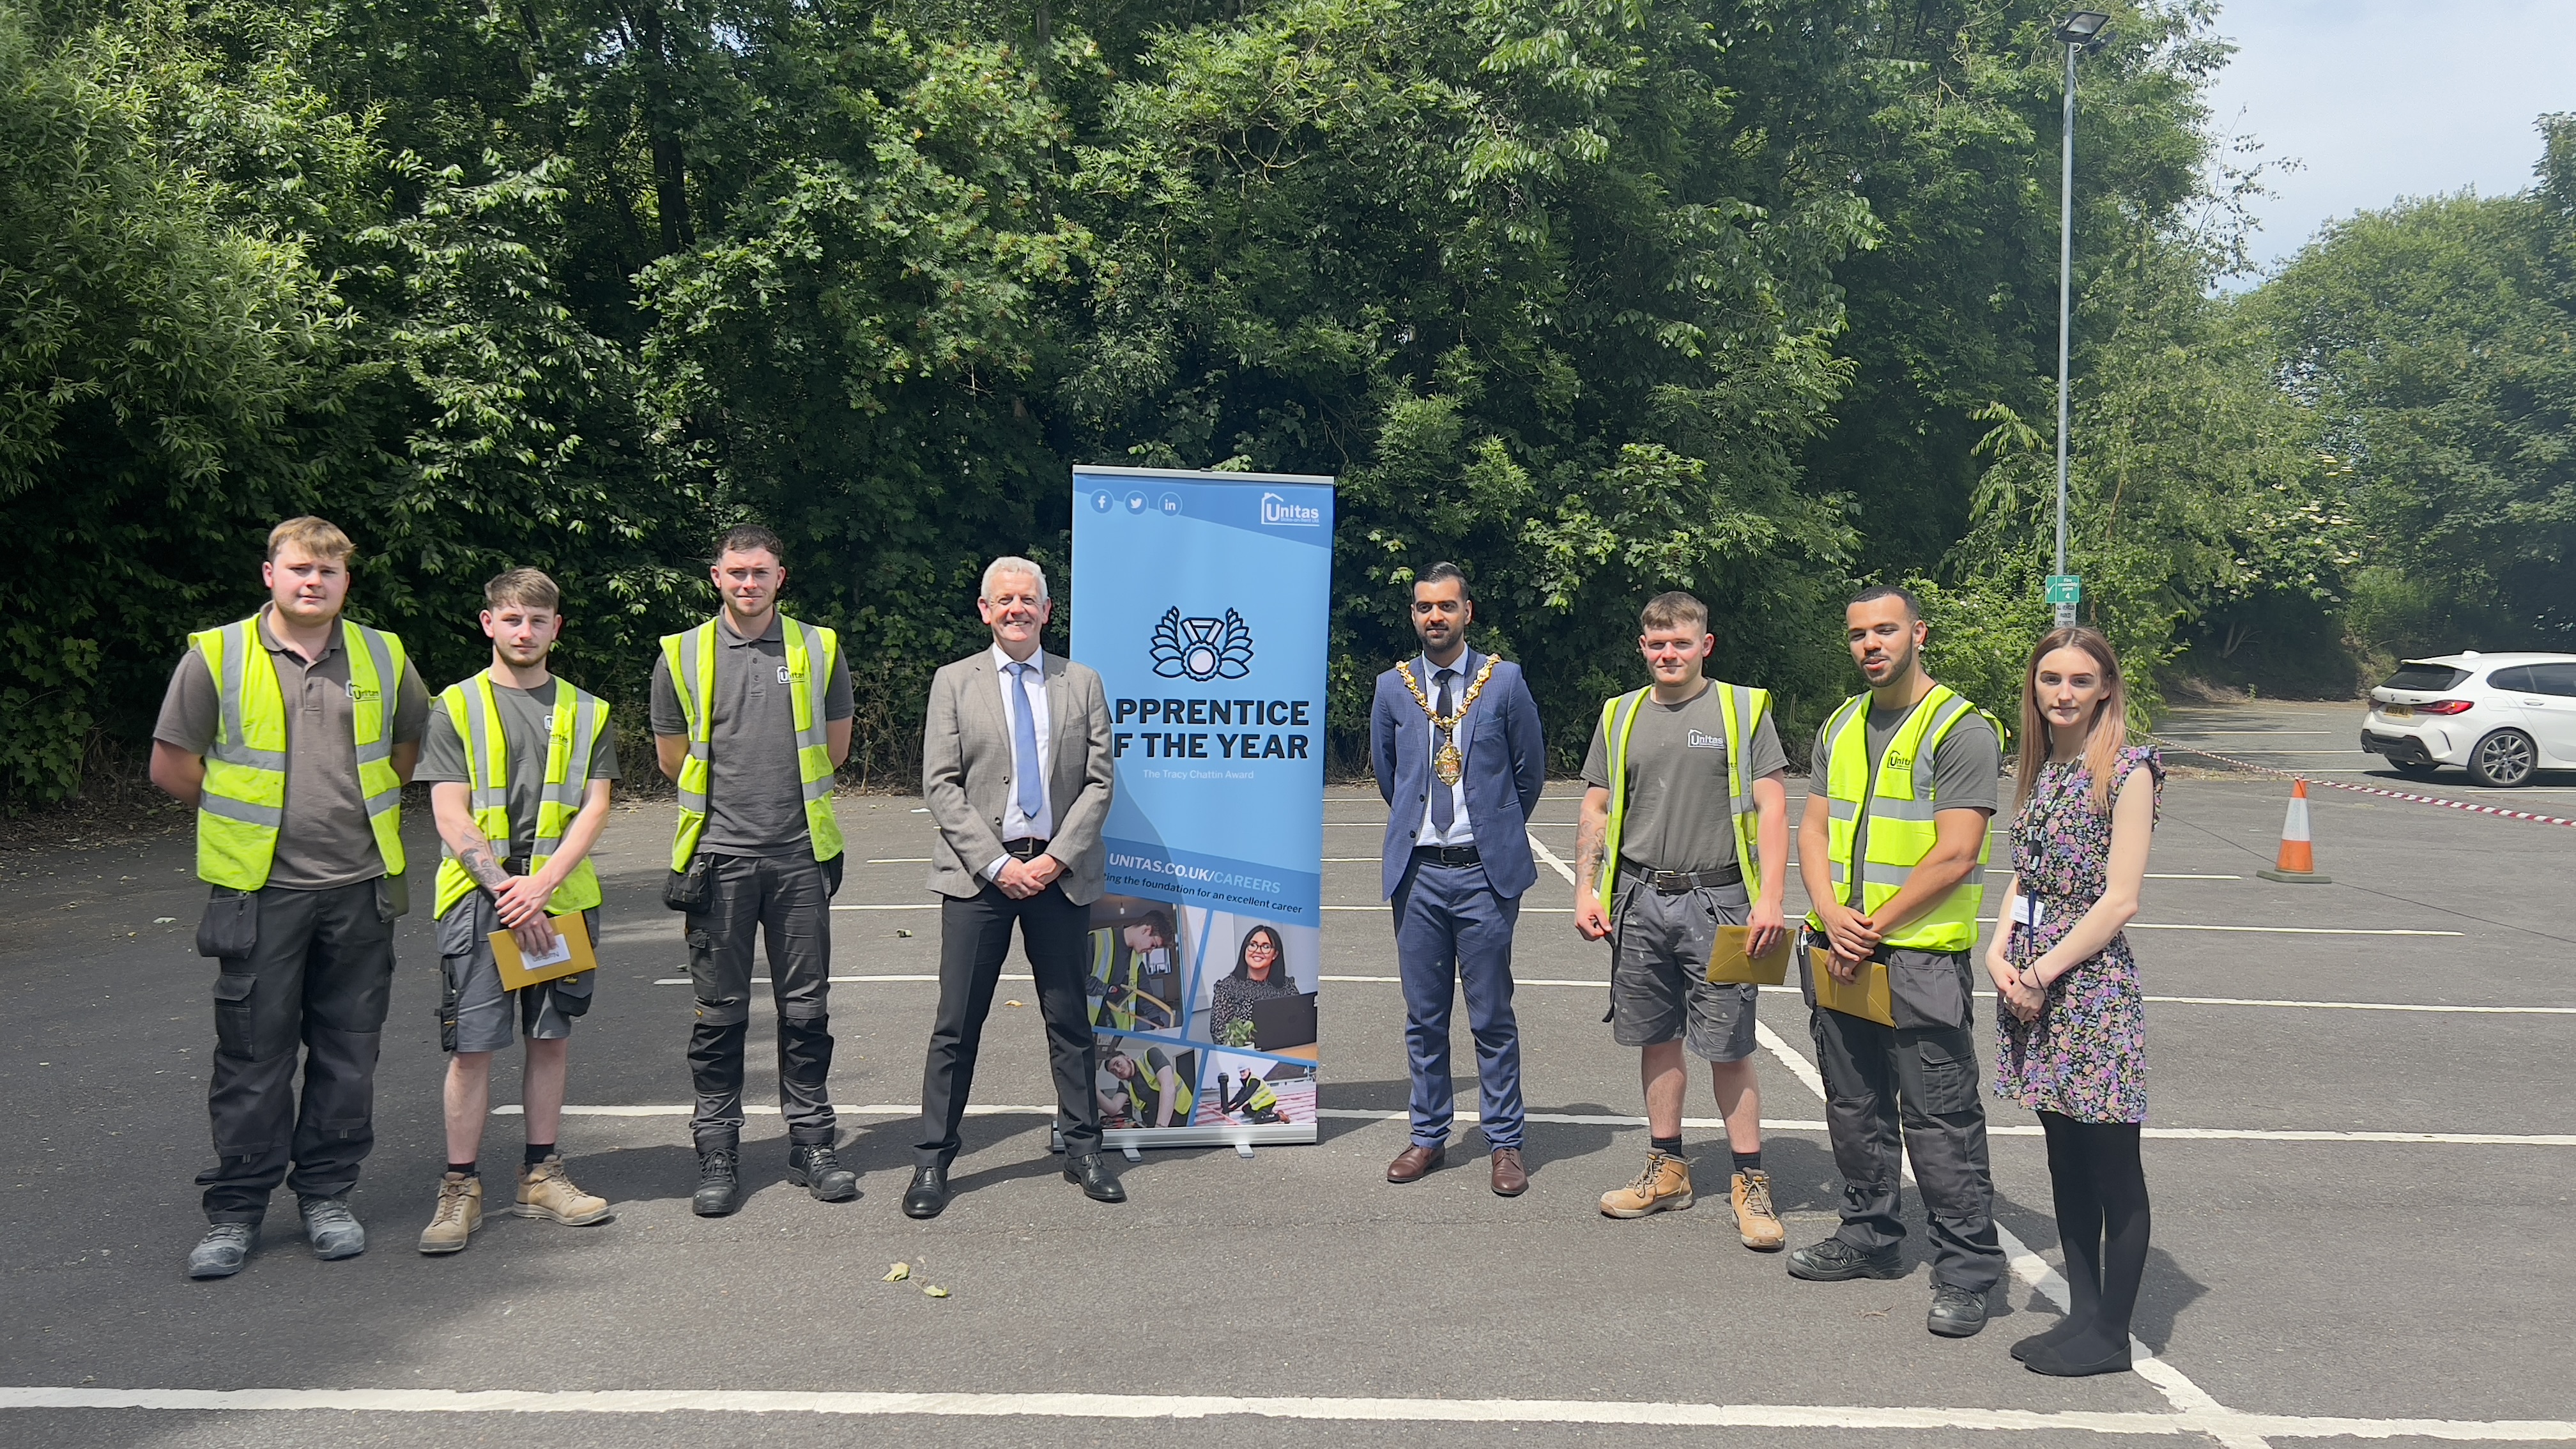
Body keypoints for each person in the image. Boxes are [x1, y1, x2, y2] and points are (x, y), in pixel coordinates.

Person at [150, 516, 431, 1278]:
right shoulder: (218, 656)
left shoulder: (383, 653)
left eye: (329, 573)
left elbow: (408, 751)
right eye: (300, 569)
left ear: (346, 582)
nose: (314, 582)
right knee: (252, 1056)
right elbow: (173, 766)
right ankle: (236, 1212)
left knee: (348, 1053)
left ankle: (328, 1197)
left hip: (360, 889)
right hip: (260, 894)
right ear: (269, 573)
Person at [1788, 583, 2009, 1339]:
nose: (1871, 645)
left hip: (1915, 962)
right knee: (1853, 1110)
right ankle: (1870, 1237)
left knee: (1940, 1122)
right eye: (1858, 634)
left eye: (1886, 630)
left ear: (1919, 633)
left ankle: (1968, 1270)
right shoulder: (1842, 724)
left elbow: (1957, 852)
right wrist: (1832, 914)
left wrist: (1870, 926)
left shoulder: (1960, 729)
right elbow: (1811, 831)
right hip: (1842, 950)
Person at [651, 524, 857, 1216]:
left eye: (759, 573)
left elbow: (834, 747)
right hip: (719, 859)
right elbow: (672, 758)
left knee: (806, 1011)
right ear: (716, 577)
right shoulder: (679, 654)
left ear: (780, 577)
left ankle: (812, 1142)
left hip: (800, 856)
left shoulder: (818, 647)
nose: (747, 583)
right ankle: (717, 1148)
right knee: (720, 1015)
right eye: (735, 572)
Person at [1575, 590, 1791, 1247]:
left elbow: (1774, 806)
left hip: (1720, 901)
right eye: (1657, 643)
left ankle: (1750, 1182)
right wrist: (1586, 890)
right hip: (1639, 901)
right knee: (1656, 1038)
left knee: (1728, 1046)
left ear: (1705, 645)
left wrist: (1773, 897)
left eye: (1681, 642)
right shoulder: (1619, 715)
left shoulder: (1742, 708)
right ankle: (1667, 1169)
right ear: (1643, 647)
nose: (1669, 654)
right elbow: (1597, 808)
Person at [907, 556, 1121, 1218]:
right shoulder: (954, 682)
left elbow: (1099, 781)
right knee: (956, 1025)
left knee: (1069, 1019)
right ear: (984, 609)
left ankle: (1085, 1150)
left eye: (1028, 600)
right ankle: (933, 1160)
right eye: (1004, 600)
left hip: (1058, 876)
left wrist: (1053, 861)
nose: (1016, 610)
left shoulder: (1081, 682)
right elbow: (940, 784)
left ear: (1047, 611)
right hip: (980, 879)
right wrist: (999, 866)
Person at [414, 568, 618, 1254]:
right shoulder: (455, 706)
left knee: (550, 1039)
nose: (524, 631)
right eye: (511, 619)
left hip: (560, 903)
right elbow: (448, 808)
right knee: (472, 1049)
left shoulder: (589, 711)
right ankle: (460, 1188)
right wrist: (510, 889)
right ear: (488, 624)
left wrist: (543, 885)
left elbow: (596, 806)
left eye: (537, 620)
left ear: (556, 627)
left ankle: (541, 1175)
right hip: (481, 904)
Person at [1987, 627, 2162, 1377]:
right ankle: (2082, 1313)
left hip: (2088, 990)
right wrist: (1998, 952)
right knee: (2064, 1161)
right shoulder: (2042, 767)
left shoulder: (2128, 771)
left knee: (2111, 1163)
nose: (2062, 692)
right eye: (2050, 678)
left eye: (2080, 680)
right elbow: (2025, 877)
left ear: (2106, 690)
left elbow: (2119, 899)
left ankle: (2112, 1333)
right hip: (2033, 982)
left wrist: (2042, 972)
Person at [1368, 563, 1547, 1195]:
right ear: (1414, 614)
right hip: (1418, 876)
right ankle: (1428, 1136)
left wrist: (1491, 831)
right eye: (1424, 608)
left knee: (1491, 1014)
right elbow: (1390, 775)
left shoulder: (1505, 684)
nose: (1434, 617)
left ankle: (1504, 1142)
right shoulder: (1394, 688)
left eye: (1446, 606)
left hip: (1483, 875)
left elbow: (1529, 774)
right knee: (1423, 1015)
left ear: (1467, 611)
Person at [1207, 924, 1298, 1045]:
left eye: (1266, 947)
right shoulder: (1227, 988)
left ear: (1275, 954)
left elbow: (1299, 1024)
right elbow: (1219, 1035)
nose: (1258, 951)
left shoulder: (1287, 986)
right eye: (1253, 945)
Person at [1098, 1043, 1192, 1129]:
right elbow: (1113, 1109)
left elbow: (1168, 1086)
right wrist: (1095, 1090)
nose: (1118, 1071)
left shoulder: (1151, 1056)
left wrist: (1160, 1127)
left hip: (1182, 1112)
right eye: (1113, 1071)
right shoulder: (1125, 1084)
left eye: (1118, 1064)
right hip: (1157, 1120)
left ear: (1127, 1058)